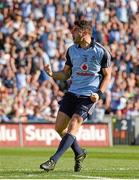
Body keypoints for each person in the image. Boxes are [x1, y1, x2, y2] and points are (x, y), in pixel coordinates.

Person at [40, 20, 112, 172]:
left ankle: (53, 161)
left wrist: (99, 94)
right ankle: (79, 152)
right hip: (72, 92)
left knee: (74, 125)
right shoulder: (71, 50)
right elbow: (66, 74)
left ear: (84, 33)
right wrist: (52, 74)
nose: (72, 33)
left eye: (75, 31)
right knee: (59, 127)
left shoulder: (101, 51)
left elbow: (107, 76)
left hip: (88, 96)